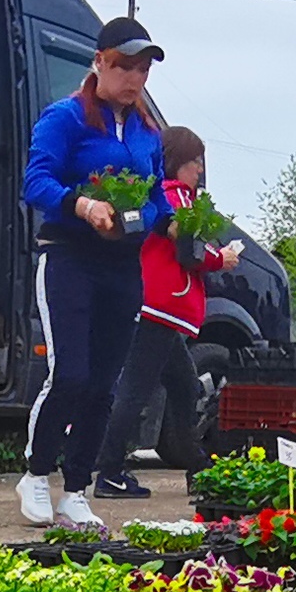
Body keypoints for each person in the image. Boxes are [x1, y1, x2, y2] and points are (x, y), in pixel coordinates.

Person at [17, 16, 164, 531]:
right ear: (99, 62)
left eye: (142, 68)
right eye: (123, 65)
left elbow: (158, 199)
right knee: (71, 373)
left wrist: (156, 221)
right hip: (69, 257)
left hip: (122, 265)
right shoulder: (67, 118)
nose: (133, 77)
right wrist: (80, 206)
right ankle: (37, 474)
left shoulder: (148, 133)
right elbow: (34, 180)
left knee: (105, 384)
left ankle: (76, 489)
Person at [91, 125, 240, 496]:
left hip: (160, 308)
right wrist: (222, 258)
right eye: (195, 162)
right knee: (135, 391)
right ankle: (108, 471)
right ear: (178, 162)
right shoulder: (176, 200)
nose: (200, 171)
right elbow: (189, 251)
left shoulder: (169, 198)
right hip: (161, 306)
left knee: (185, 387)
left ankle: (196, 463)